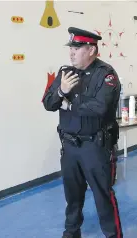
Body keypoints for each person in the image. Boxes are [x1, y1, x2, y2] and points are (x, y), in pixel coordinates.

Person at [43, 27, 123, 238]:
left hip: (94, 147)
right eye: (71, 48)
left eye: (77, 48)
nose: (71, 53)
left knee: (103, 196)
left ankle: (113, 235)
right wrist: (61, 91)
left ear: (91, 50)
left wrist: (70, 104)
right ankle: (71, 232)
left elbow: (99, 108)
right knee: (72, 195)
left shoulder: (106, 75)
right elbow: (48, 103)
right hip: (69, 147)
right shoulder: (65, 73)